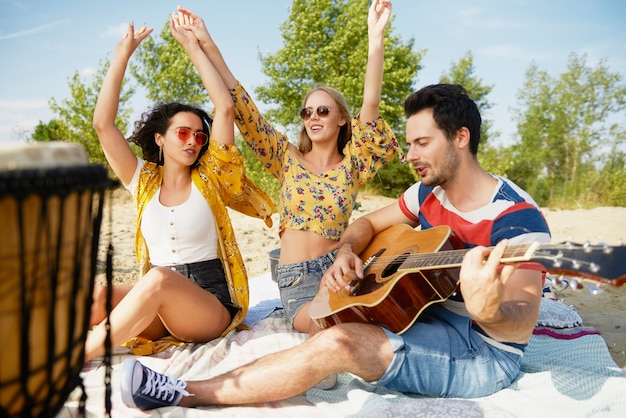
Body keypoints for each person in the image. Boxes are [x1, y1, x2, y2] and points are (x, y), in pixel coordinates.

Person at [119, 83, 552, 410]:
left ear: (460, 137)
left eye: (421, 144)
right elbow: (365, 224)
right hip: (429, 315)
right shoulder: (427, 194)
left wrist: (490, 308)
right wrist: (347, 250)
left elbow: (519, 324)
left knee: (338, 341)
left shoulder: (517, 220)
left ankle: (183, 393)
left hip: (481, 352)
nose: (408, 155)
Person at [174, 1, 404, 334]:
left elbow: (370, 102)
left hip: (340, 267)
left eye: (323, 111)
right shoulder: (286, 157)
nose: (313, 117)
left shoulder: (352, 164)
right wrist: (204, 41)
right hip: (298, 278)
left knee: (367, 325)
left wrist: (376, 36)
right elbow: (243, 106)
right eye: (307, 112)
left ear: (342, 119)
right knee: (335, 328)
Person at [85, 15, 274, 362]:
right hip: (160, 304)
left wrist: (193, 46)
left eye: (199, 136)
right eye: (183, 133)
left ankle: (72, 359)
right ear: (160, 138)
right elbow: (103, 125)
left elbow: (226, 108)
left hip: (209, 304)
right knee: (96, 297)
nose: (194, 141)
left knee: (157, 281)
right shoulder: (143, 181)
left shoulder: (210, 177)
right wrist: (121, 56)